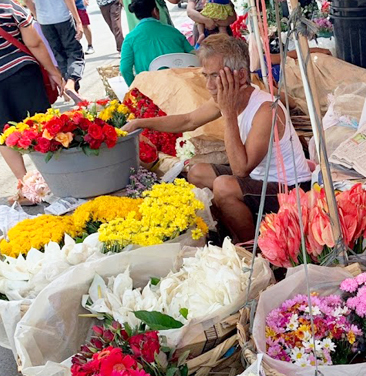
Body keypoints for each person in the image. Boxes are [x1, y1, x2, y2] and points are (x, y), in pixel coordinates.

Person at [122, 34, 312, 243]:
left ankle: (253, 249)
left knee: (224, 185)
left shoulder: (266, 109)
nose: (209, 85)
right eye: (206, 76)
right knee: (197, 172)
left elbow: (241, 169)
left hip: (290, 189)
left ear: (240, 76)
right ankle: (228, 234)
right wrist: (140, 123)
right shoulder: (225, 98)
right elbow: (188, 121)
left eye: (215, 76)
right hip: (259, 180)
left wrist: (228, 114)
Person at [0, 0, 64, 196]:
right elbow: (34, 43)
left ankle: (28, 187)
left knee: (4, 135)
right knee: (40, 125)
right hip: (22, 75)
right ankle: (56, 178)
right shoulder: (9, 7)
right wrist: (53, 72)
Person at [119, 0, 193, 85]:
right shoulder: (174, 32)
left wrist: (135, 88)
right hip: (180, 86)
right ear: (155, 11)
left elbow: (124, 69)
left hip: (150, 92)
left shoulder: (130, 39)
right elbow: (193, 55)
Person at [26, 0, 83, 102]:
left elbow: (27, 1)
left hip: (44, 22)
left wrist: (37, 16)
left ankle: (73, 89)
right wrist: (78, 21)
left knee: (59, 56)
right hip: (63, 18)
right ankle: (71, 82)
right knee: (74, 52)